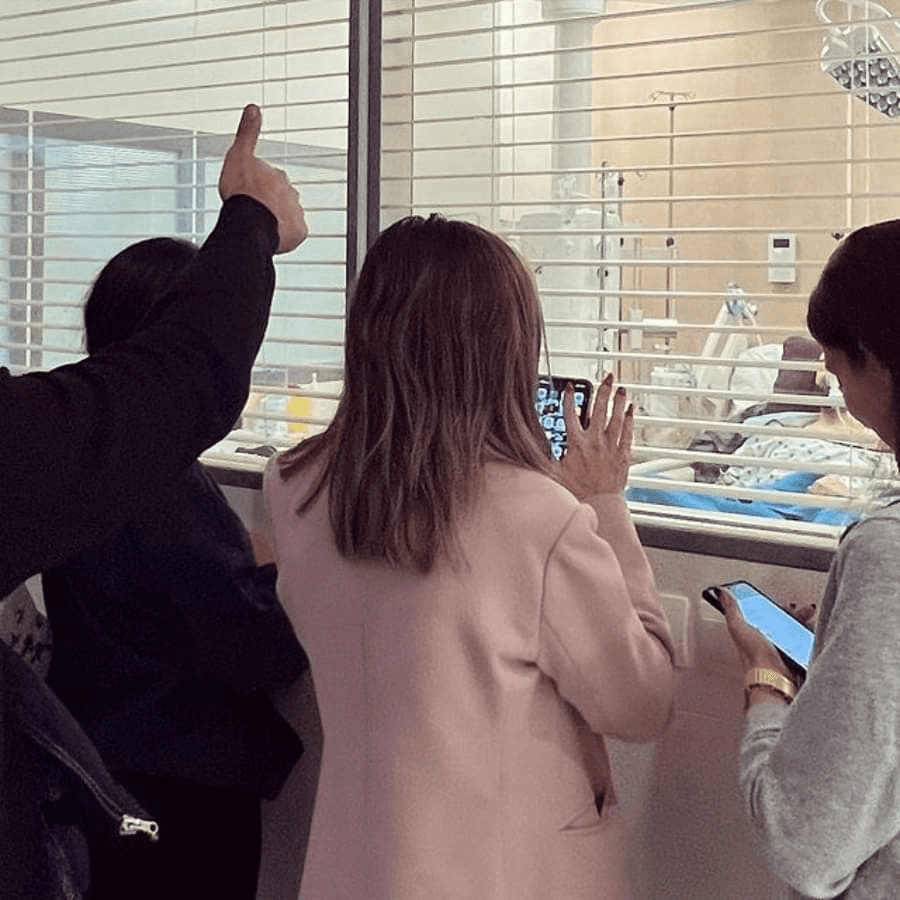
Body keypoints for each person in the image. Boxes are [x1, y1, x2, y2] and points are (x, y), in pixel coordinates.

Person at [263, 214, 675, 899]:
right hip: (502, 875)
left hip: (351, 866)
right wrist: (605, 503)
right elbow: (641, 704)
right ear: (503, 351)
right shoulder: (537, 519)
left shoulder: (295, 487)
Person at [0, 103, 307, 900]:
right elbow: (255, 648)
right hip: (173, 794)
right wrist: (286, 572)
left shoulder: (73, 469)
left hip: (101, 762)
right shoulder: (156, 485)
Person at [716, 218, 900, 899]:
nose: (831, 377)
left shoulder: (887, 552)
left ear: (877, 360)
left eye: (837, 358)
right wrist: (849, 648)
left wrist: (766, 682)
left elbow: (806, 843)